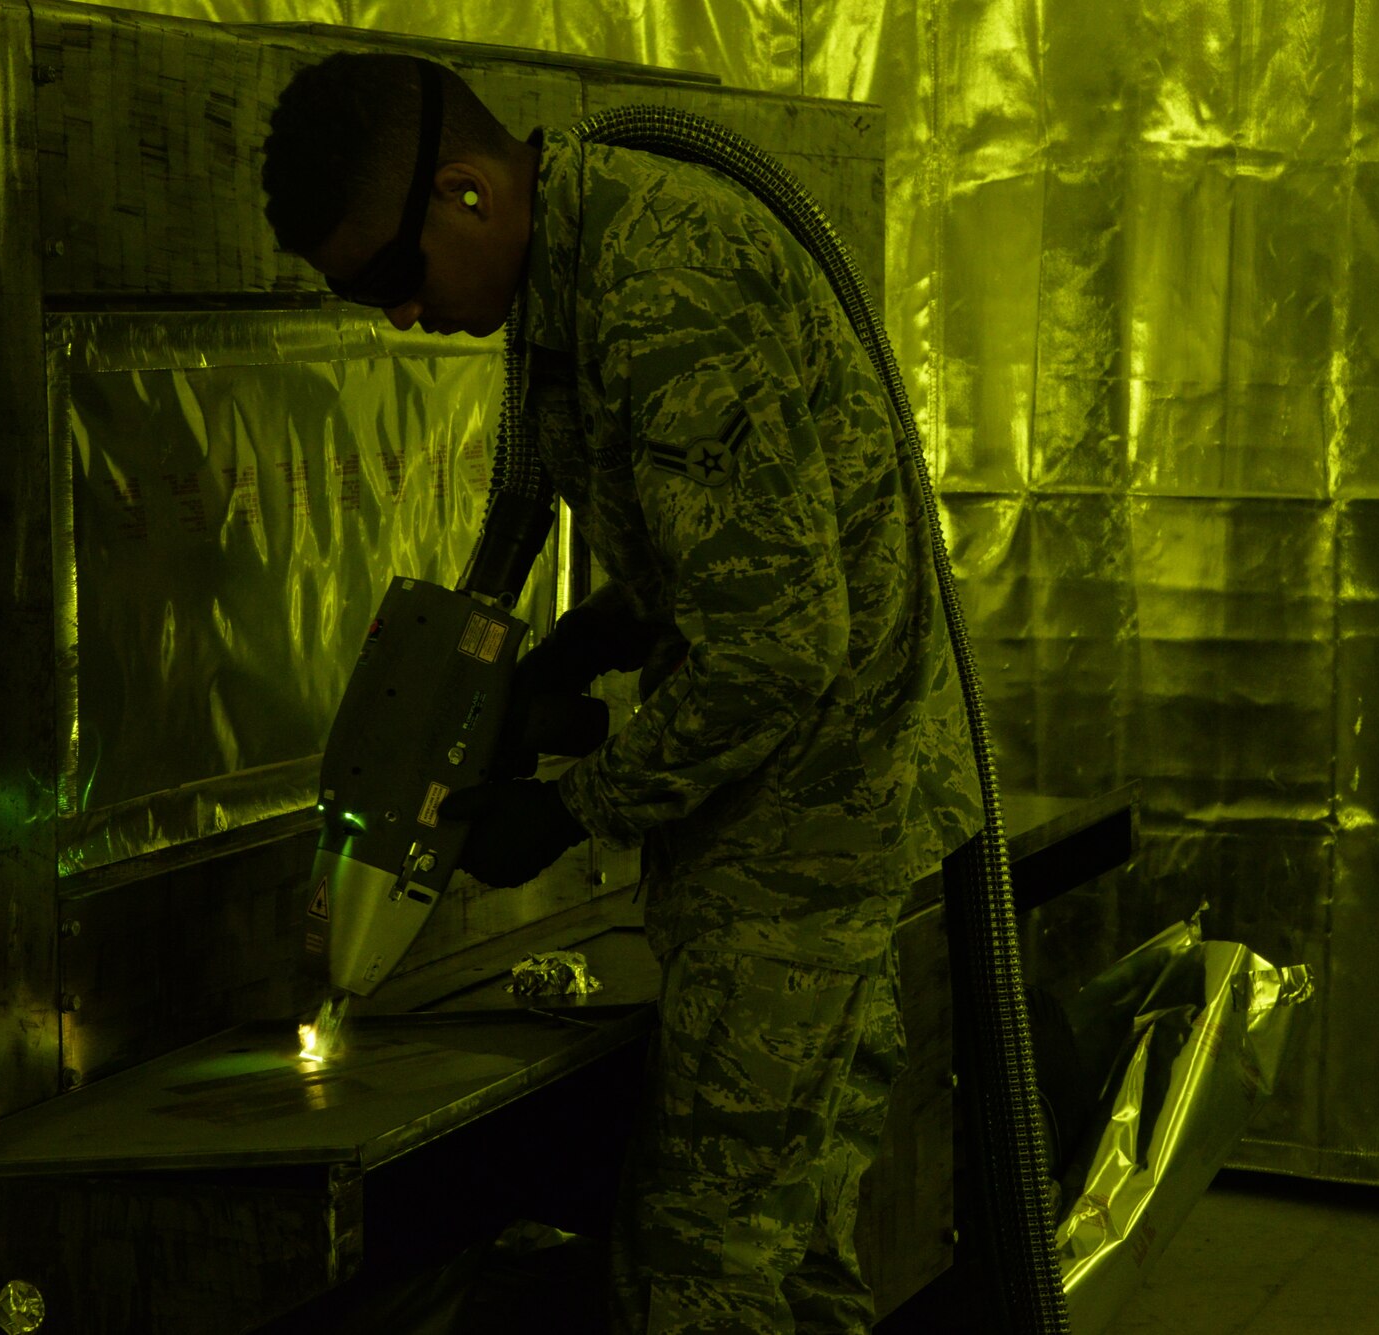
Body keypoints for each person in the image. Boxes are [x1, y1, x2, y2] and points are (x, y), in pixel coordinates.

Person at [261, 52, 983, 1335]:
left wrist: (579, 808)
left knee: (697, 1279)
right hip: (800, 836)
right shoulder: (584, 272)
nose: (402, 320)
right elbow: (722, 544)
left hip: (801, 851)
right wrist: (583, 645)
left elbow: (777, 648)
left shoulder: (664, 282)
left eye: (391, 276)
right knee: (790, 1261)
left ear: (467, 193)